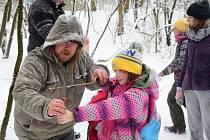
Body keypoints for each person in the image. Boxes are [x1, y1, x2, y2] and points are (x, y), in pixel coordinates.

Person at [12, 14, 109, 140]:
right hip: (35, 133)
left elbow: (92, 71)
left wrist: (99, 72)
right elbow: (21, 90)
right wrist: (46, 107)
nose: (68, 47)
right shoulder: (36, 60)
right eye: (64, 40)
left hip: (66, 128)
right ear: (54, 39)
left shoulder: (81, 58)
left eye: (73, 42)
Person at [56, 48, 160, 140]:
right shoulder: (127, 82)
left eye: (122, 71)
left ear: (132, 71)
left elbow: (108, 108)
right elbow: (114, 86)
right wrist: (104, 82)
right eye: (116, 71)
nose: (117, 75)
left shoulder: (138, 97)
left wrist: (75, 115)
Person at [176, 0, 210, 140]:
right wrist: (179, 87)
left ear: (198, 19)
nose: (187, 20)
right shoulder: (190, 36)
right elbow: (186, 62)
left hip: (206, 89)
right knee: (194, 127)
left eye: (190, 17)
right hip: (189, 87)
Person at [159, 18, 188, 134]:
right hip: (182, 78)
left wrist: (165, 71)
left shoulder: (185, 42)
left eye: (175, 28)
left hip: (183, 78)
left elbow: (181, 61)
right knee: (186, 102)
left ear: (181, 29)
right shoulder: (182, 41)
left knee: (172, 100)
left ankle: (179, 127)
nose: (173, 30)